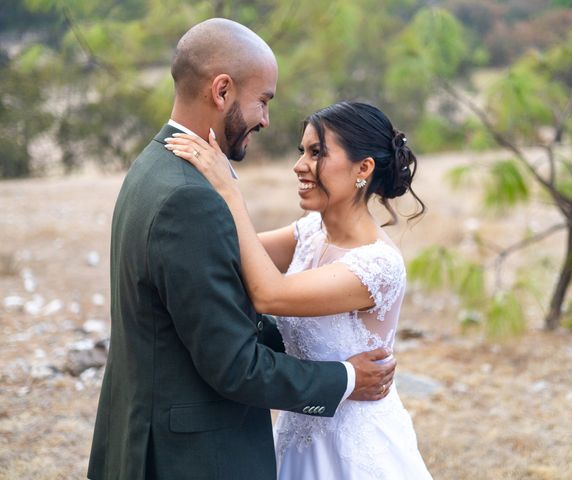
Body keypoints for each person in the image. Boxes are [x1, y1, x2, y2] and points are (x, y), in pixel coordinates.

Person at [87, 19, 396, 480]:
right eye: (263, 101)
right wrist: (346, 378)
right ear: (222, 90)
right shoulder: (190, 197)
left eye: (316, 152)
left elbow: (221, 300)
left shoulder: (151, 168)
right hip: (190, 457)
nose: (266, 119)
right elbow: (234, 365)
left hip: (150, 435)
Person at [165, 101, 433, 479]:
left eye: (317, 152)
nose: (300, 165)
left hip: (354, 446)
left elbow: (269, 294)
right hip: (300, 431)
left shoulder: (377, 265)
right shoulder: (310, 232)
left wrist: (229, 192)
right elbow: (234, 254)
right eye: (302, 152)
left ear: (364, 168)